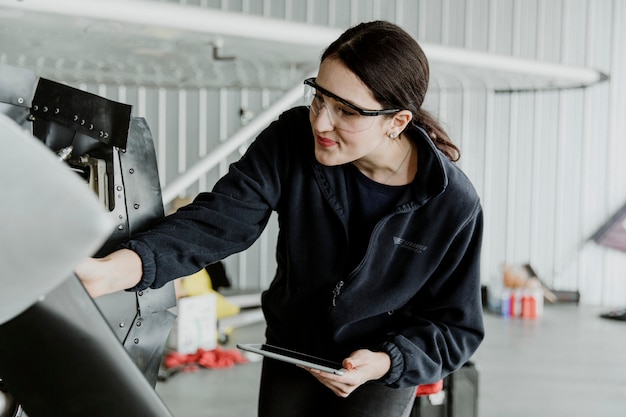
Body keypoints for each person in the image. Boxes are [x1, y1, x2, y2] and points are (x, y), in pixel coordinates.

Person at [76, 20, 484, 417]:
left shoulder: (452, 205)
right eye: (319, 97)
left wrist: (385, 361)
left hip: (377, 368)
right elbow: (218, 221)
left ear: (397, 122)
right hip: (293, 346)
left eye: (347, 111)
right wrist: (111, 271)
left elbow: (455, 327)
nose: (321, 122)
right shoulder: (291, 140)